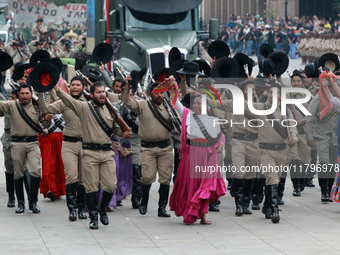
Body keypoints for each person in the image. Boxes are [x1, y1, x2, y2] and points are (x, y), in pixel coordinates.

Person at [53, 81, 132, 229]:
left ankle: (102, 209)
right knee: (91, 187)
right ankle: (93, 216)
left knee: (110, 185)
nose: (102, 94)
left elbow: (116, 129)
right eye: (98, 92)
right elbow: (67, 99)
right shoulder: (84, 107)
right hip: (89, 153)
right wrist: (56, 88)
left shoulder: (110, 110)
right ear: (91, 94)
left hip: (107, 152)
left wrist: (124, 133)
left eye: (103, 92)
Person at [170, 92, 226, 224]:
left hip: (207, 154)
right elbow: (176, 103)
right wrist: (175, 88)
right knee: (191, 184)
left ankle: (204, 215)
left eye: (199, 103)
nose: (195, 105)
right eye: (194, 103)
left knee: (206, 183)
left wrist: (221, 144)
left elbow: (220, 135)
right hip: (191, 153)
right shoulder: (188, 115)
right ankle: (189, 212)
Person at [38, 77, 88, 221]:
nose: (75, 87)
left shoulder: (90, 102)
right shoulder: (64, 102)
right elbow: (45, 109)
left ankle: (81, 208)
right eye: (72, 85)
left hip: (86, 145)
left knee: (82, 178)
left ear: (84, 87)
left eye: (78, 85)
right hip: (69, 144)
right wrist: (41, 94)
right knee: (71, 176)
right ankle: (72, 210)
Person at [122, 78, 174, 218]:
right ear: (151, 93)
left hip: (165, 148)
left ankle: (162, 207)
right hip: (147, 148)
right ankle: (144, 201)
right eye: (157, 93)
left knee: (165, 178)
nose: (160, 96)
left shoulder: (169, 107)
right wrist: (127, 88)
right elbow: (127, 102)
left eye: (162, 93)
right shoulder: (142, 105)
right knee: (146, 177)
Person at [0, 84, 50, 214]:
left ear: (30, 93)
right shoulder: (12, 105)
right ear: (18, 94)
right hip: (17, 143)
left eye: (27, 93)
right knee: (18, 173)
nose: (25, 96)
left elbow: (44, 123)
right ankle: (20, 203)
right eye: (22, 93)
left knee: (35, 171)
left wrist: (47, 120)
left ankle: (33, 203)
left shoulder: (37, 106)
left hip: (33, 143)